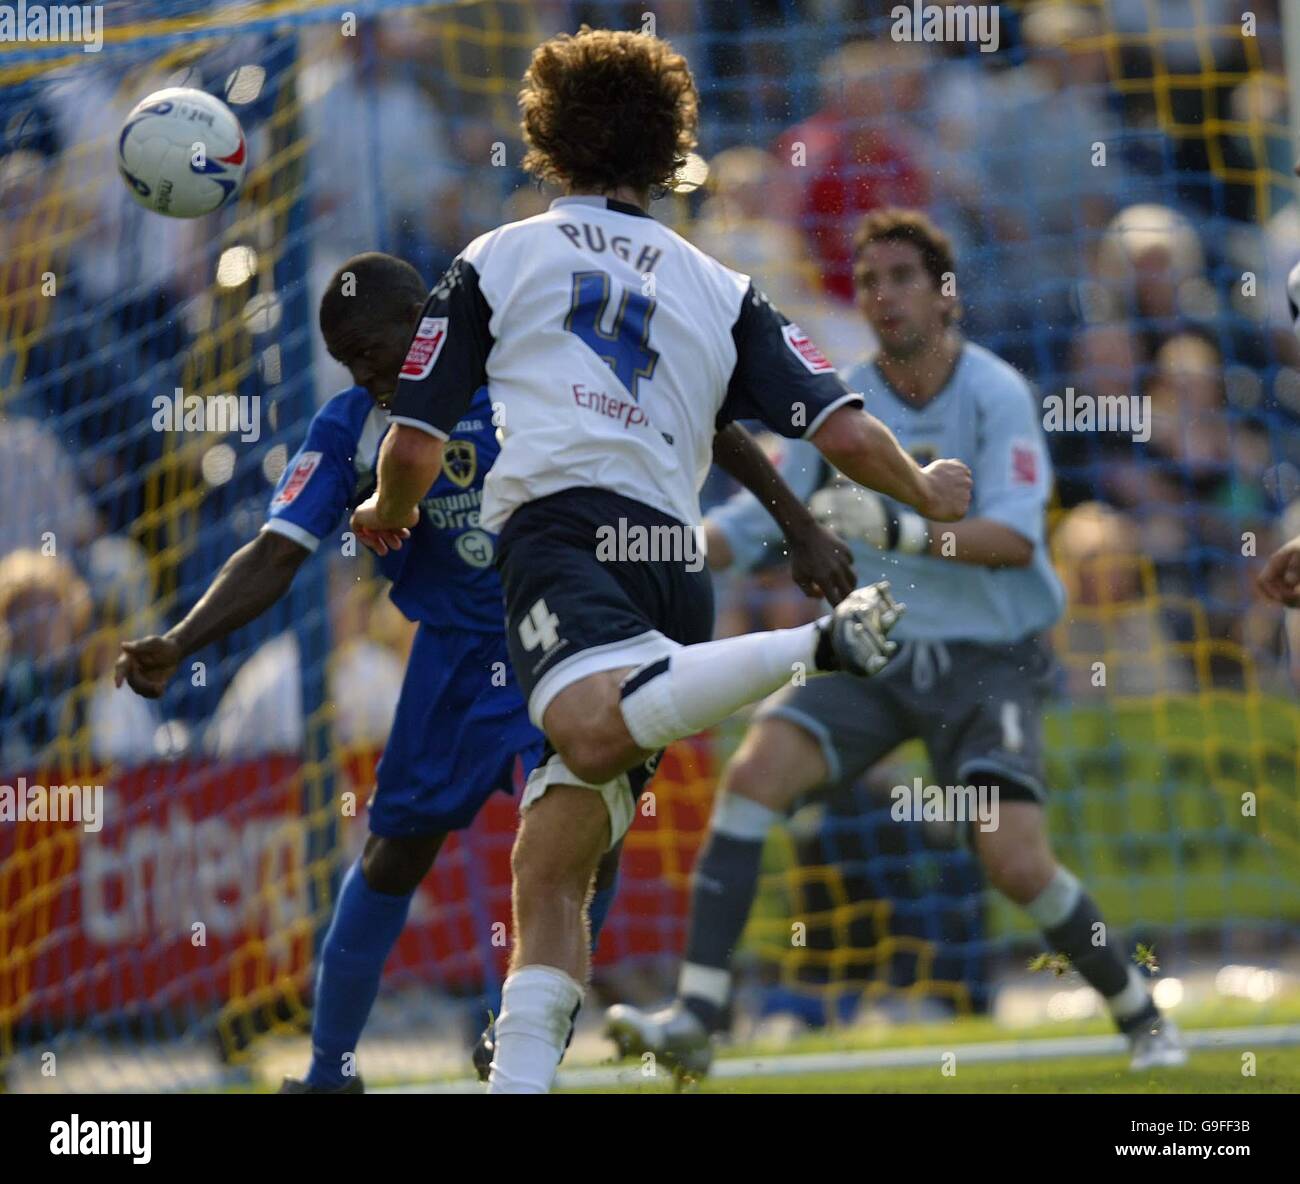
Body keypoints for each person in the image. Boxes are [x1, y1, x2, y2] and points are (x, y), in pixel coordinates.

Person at [350, 29, 972, 1093]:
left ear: (545, 135)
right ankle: (520, 1082)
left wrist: (382, 509)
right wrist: (923, 485)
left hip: (560, 534)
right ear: (667, 145)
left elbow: (412, 442)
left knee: (586, 723)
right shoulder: (719, 284)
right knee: (551, 860)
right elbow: (841, 427)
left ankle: (813, 644)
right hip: (672, 566)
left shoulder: (495, 258)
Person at [114, 250, 863, 1092]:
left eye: (375, 350)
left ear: (426, 320)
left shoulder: (526, 366)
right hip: (455, 663)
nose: (367, 374)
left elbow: (702, 421)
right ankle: (331, 1072)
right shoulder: (353, 426)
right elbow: (276, 551)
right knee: (395, 855)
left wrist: (796, 522)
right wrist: (181, 640)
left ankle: (522, 1027)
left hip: (567, 632)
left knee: (587, 838)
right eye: (350, 361)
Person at [603, 208, 1187, 1077]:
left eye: (902, 277)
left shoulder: (995, 393)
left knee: (1014, 859)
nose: (882, 296)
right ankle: (697, 1015)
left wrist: (903, 531)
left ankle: (1143, 1015)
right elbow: (752, 521)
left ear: (945, 294)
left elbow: (1016, 542)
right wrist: (658, 546)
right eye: (868, 280)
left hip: (990, 659)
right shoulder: (841, 400)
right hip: (879, 646)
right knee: (755, 776)